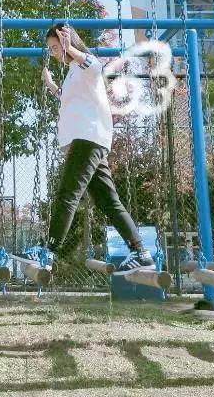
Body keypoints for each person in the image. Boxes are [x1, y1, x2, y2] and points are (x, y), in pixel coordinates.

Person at [39, 22, 154, 271]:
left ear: (68, 41)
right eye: (51, 49)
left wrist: (72, 49)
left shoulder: (86, 64)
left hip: (87, 139)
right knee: (107, 201)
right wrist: (51, 86)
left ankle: (48, 252)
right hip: (92, 141)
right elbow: (68, 98)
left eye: (55, 46)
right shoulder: (73, 72)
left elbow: (95, 66)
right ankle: (141, 252)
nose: (54, 52)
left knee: (67, 195)